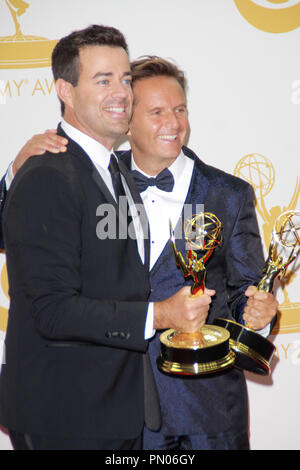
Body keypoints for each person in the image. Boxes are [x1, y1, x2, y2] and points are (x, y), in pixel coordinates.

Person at [0, 30, 214, 451]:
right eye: (102, 80)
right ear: (65, 90)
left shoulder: (114, 170)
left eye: (125, 79)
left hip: (111, 409)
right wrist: (159, 316)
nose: (121, 92)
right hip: (66, 413)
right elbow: (52, 310)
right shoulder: (48, 174)